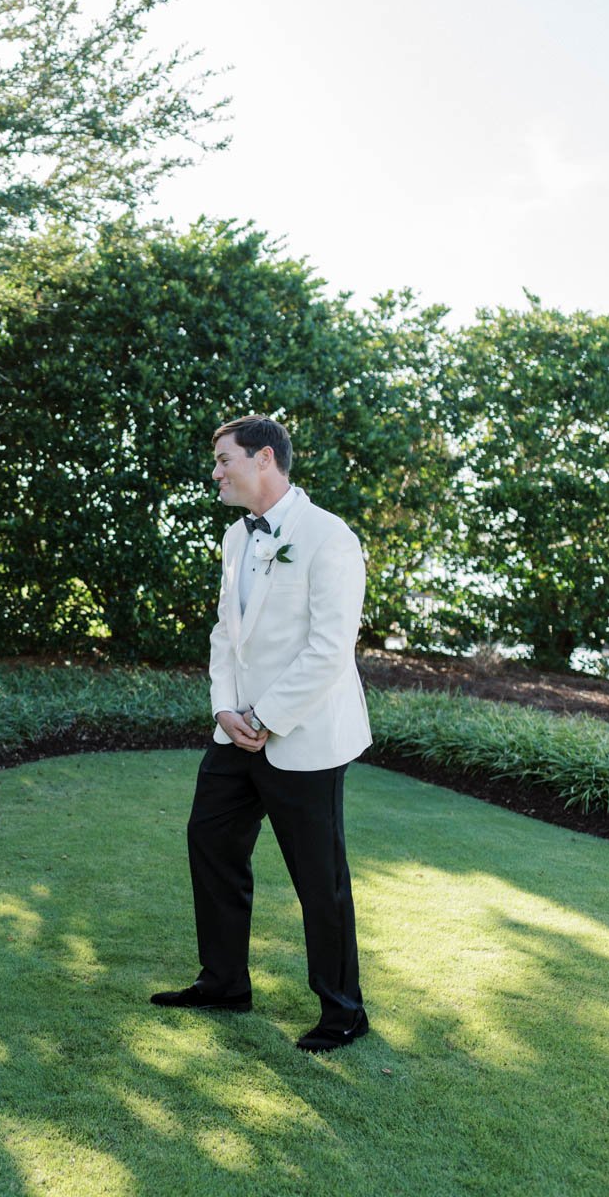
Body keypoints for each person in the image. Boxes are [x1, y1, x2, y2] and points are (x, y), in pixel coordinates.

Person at [150, 415, 373, 1053]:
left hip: (302, 738)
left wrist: (266, 718)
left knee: (318, 877)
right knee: (210, 844)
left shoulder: (330, 538)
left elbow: (330, 650)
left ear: (264, 458)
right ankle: (223, 983)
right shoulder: (233, 537)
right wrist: (226, 709)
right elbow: (227, 633)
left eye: (224, 460)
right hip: (234, 733)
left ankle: (343, 1011)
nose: (216, 472)